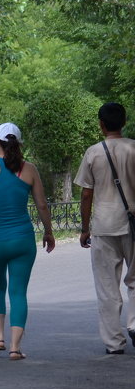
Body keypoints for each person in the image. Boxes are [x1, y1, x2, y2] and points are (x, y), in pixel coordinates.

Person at [0, 123, 55, 360]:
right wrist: (48, 231)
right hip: (22, 239)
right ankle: (15, 347)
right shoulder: (29, 169)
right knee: (18, 292)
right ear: (19, 144)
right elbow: (41, 205)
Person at [75, 102, 135, 355]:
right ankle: (134, 324)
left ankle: (114, 342)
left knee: (107, 286)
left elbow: (86, 194)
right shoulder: (134, 148)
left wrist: (84, 228)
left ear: (101, 124)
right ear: (124, 122)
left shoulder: (93, 153)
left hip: (103, 226)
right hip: (133, 225)